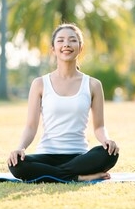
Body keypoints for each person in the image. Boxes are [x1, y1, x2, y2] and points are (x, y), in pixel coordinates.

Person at [7, 23, 119, 183]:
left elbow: (99, 126)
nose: (66, 44)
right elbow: (31, 126)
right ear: (53, 49)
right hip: (46, 155)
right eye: (60, 40)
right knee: (17, 164)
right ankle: (77, 177)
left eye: (72, 40)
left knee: (110, 154)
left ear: (80, 48)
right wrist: (20, 148)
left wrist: (106, 140)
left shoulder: (93, 85)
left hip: (79, 157)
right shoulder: (39, 84)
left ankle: (58, 175)